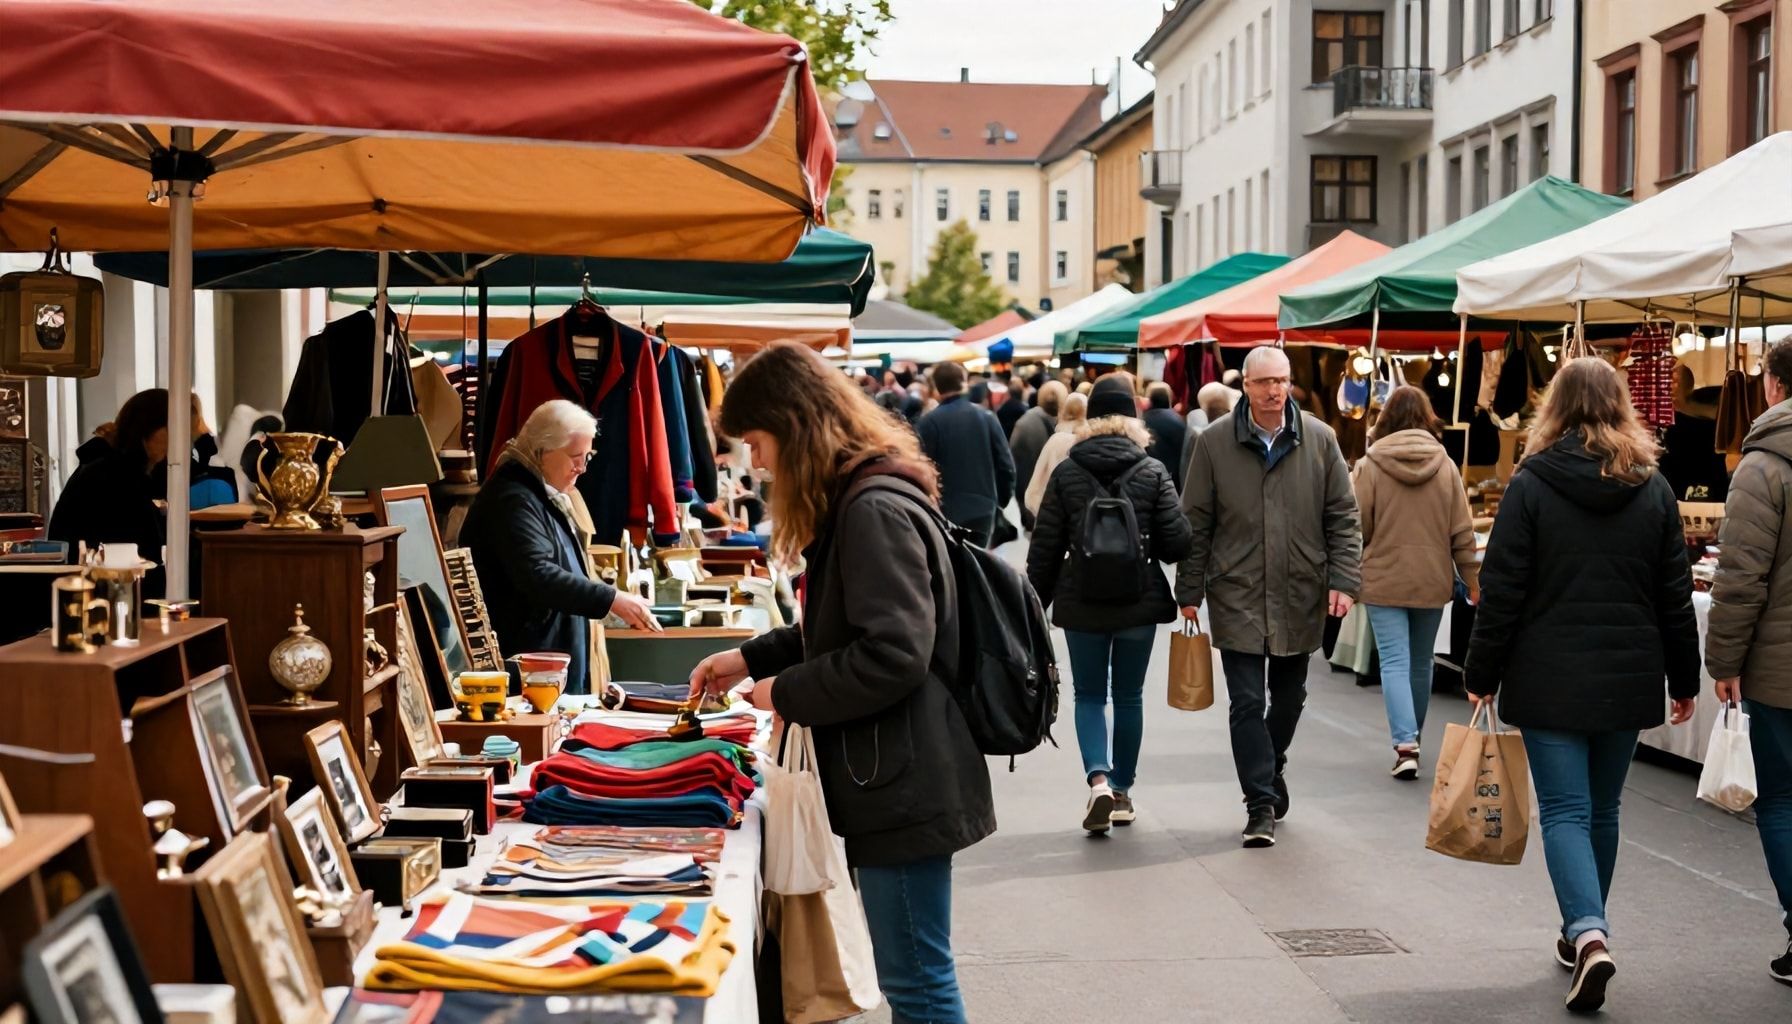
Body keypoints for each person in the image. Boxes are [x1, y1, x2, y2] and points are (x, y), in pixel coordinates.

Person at [688, 342, 992, 1024]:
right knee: (914, 973)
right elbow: (845, 627)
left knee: (916, 979)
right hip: (898, 771)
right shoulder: (868, 497)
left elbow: (892, 652)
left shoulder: (870, 508)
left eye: (759, 443)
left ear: (795, 427)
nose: (757, 463)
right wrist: (754, 658)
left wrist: (783, 691)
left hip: (905, 782)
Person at [1464, 356, 1699, 1013]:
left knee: (1564, 810)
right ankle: (1584, 929)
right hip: (1626, 676)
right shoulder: (1652, 486)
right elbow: (1674, 596)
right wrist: (1685, 677)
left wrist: (1480, 673)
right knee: (1604, 810)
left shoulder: (1532, 484)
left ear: (1555, 407)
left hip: (1549, 675)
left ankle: (1588, 932)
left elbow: (1502, 590)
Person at [1176, 345, 1361, 849]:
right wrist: (1189, 590)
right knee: (1246, 701)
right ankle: (1259, 803)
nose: (1275, 391)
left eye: (1281, 381)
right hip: (1236, 588)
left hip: (1300, 587)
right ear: (1247, 387)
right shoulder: (1213, 444)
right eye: (1264, 382)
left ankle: (1271, 763)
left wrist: (1344, 579)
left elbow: (1343, 517)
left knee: (1290, 696)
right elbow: (1196, 522)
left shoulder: (1320, 440)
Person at [1027, 373, 1192, 833]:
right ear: (1134, 418)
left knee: (1089, 695)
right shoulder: (1152, 471)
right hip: (1138, 600)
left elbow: (1043, 548)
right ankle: (1121, 792)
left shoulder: (1067, 471)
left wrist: (1033, 606)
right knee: (1129, 696)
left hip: (1081, 601)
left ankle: (1097, 779)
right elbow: (1178, 543)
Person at [461, 400, 660, 695]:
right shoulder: (513, 499)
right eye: (575, 457)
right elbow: (538, 574)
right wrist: (610, 598)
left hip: (545, 669)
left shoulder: (537, 492)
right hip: (530, 673)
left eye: (587, 457)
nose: (581, 468)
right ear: (542, 451)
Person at [1706, 340, 1792, 986]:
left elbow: (1740, 577)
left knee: (1784, 800)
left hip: (1780, 670)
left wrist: (1723, 661)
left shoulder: (1762, 468)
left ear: (1772, 386)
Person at [1351, 386, 1479, 780]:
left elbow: (1357, 528)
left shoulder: (1369, 467)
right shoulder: (1446, 467)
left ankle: (1405, 743)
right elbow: (1462, 531)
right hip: (1431, 577)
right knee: (1421, 662)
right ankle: (1413, 739)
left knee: (1393, 660)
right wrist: (1473, 580)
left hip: (1382, 578)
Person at [48, 388, 171, 591]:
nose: (180, 439)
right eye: (172, 428)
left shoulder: (122, 471)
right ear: (146, 430)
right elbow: (136, 549)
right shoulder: (113, 477)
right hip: (101, 595)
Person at [917, 361, 1015, 547]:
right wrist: (999, 501)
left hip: (945, 512)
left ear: (937, 386)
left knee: (953, 569)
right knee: (978, 565)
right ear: (963, 382)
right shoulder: (986, 417)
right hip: (983, 509)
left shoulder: (928, 423)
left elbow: (922, 470)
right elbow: (1005, 465)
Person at [1009, 380, 1065, 532]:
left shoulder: (1025, 423)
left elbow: (1013, 462)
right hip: (1060, 504)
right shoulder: (1071, 426)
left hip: (1031, 502)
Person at [1023, 391, 1089, 516]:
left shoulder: (1055, 441)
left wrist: (1047, 516)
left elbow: (1033, 491)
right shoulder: (1090, 440)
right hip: (1083, 519)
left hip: (1054, 517)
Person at [1142, 381, 1188, 489]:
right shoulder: (1179, 422)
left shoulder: (1140, 422)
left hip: (1145, 481)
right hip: (1172, 482)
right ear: (1169, 397)